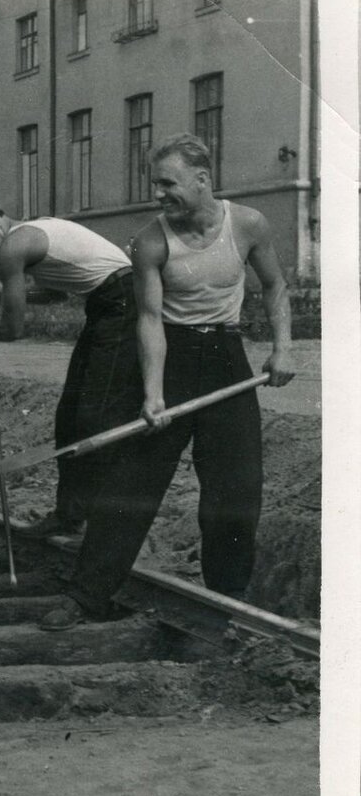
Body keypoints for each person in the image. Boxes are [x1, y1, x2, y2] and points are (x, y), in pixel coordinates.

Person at [42, 133, 296, 630]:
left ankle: (228, 601)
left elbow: (275, 285)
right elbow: (151, 320)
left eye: (168, 182)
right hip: (170, 358)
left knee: (235, 487)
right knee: (130, 482)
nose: (159, 193)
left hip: (226, 357)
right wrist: (154, 393)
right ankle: (87, 596)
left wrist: (283, 347)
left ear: (202, 180)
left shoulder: (247, 225)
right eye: (155, 183)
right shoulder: (151, 241)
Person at [0, 198, 141, 538]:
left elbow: (14, 328)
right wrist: (4, 289)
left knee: (95, 416)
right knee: (69, 418)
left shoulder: (13, 246)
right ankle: (70, 515)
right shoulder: (28, 234)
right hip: (108, 304)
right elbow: (56, 295)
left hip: (125, 302)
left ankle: (111, 520)